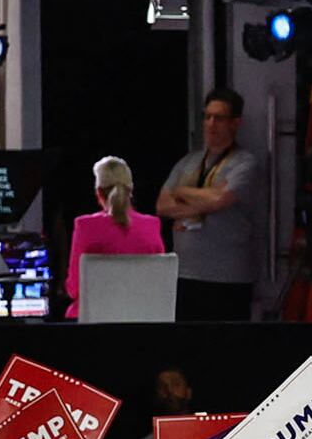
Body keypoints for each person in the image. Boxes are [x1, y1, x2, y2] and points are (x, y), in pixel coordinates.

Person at [154, 88, 263, 320]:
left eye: (219, 118)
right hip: (186, 275)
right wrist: (205, 199)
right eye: (207, 116)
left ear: (236, 123)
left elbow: (220, 200)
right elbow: (162, 206)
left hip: (229, 278)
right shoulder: (188, 162)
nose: (211, 124)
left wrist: (182, 191)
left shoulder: (245, 163)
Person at [66, 155, 164, 318]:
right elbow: (160, 284)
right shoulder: (152, 226)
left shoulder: (85, 226)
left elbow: (74, 288)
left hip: (93, 323)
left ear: (98, 192)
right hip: (143, 320)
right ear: (130, 190)